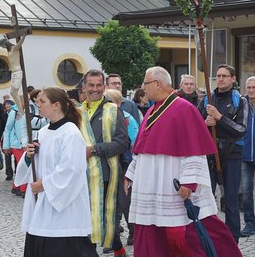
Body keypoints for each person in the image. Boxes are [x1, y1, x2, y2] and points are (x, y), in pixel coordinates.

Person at [124, 66, 243, 256]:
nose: (143, 88)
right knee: (152, 228)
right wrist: (131, 173)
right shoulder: (152, 109)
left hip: (173, 182)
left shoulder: (183, 109)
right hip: (151, 184)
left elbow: (194, 149)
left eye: (145, 84)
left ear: (158, 84)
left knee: (193, 229)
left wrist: (190, 181)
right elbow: (142, 149)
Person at [14, 87, 98, 257]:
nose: (38, 105)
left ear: (56, 105)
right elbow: (37, 164)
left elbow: (72, 169)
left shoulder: (71, 133)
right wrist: (29, 156)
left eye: (42, 101)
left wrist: (44, 184)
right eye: (37, 101)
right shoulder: (43, 132)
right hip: (42, 203)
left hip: (63, 208)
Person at [80, 69, 129, 257]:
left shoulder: (114, 110)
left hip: (106, 174)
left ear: (104, 86)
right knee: (87, 217)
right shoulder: (76, 112)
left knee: (104, 217)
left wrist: (94, 150)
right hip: (81, 174)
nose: (95, 89)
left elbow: (123, 142)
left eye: (99, 85)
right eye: (90, 85)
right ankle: (118, 249)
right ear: (84, 87)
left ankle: (113, 249)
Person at [198, 64, 247, 243]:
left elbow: (241, 129)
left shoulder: (240, 101)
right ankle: (208, 237)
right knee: (206, 197)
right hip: (209, 155)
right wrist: (204, 123)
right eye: (218, 75)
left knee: (231, 200)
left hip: (232, 155)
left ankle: (233, 240)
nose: (220, 79)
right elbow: (195, 125)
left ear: (233, 79)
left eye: (225, 76)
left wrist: (219, 118)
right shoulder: (206, 100)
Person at [105, 88, 139, 246]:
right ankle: (112, 237)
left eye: (110, 101)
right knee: (109, 202)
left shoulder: (127, 119)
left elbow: (136, 142)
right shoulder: (102, 118)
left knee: (125, 202)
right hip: (106, 165)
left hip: (124, 165)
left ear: (118, 103)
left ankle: (133, 232)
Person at [3, 99, 27, 198]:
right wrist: (6, 146)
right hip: (16, 144)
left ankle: (16, 187)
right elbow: (7, 129)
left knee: (22, 166)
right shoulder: (14, 112)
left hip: (25, 143)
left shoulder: (30, 110)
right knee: (24, 165)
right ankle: (23, 189)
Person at [0, 33, 27, 116]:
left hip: (18, 72)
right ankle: (20, 109)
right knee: (12, 92)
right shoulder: (10, 50)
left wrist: (24, 36)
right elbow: (8, 42)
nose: (3, 47)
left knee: (14, 92)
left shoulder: (14, 48)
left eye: (2, 46)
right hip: (13, 73)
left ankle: (21, 111)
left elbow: (20, 43)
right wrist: (6, 38)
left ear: (5, 44)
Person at [241, 76, 255, 237]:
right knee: (246, 192)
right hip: (244, 156)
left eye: (254, 87)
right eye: (249, 87)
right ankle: (249, 223)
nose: (251, 91)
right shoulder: (242, 105)